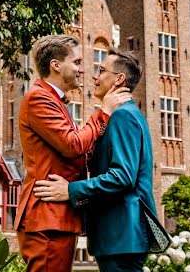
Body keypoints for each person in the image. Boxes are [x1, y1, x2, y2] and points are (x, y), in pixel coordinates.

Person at [15, 35, 132, 272]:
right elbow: (72, 144)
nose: (82, 69)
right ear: (56, 65)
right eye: (77, 62)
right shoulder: (39, 98)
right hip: (47, 217)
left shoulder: (56, 101)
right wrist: (104, 112)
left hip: (57, 217)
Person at [33, 49, 155, 272]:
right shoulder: (122, 115)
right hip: (119, 239)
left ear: (119, 79)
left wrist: (70, 190)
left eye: (101, 70)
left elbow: (122, 177)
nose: (94, 76)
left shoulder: (123, 116)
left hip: (121, 236)